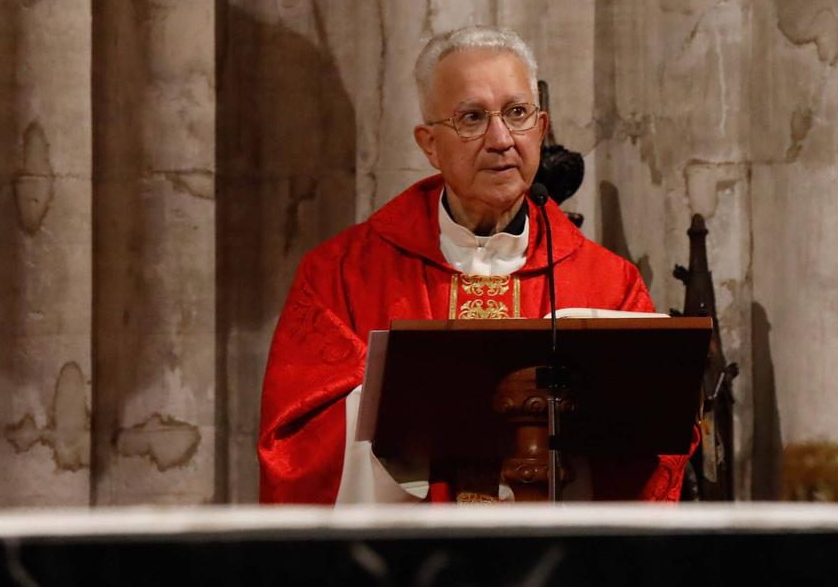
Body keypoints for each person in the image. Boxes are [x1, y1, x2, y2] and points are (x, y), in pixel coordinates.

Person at [257, 25, 688, 502]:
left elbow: (658, 443)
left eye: (517, 113)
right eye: (472, 117)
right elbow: (294, 445)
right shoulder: (340, 276)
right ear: (429, 144)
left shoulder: (610, 284)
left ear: (541, 130)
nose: (501, 138)